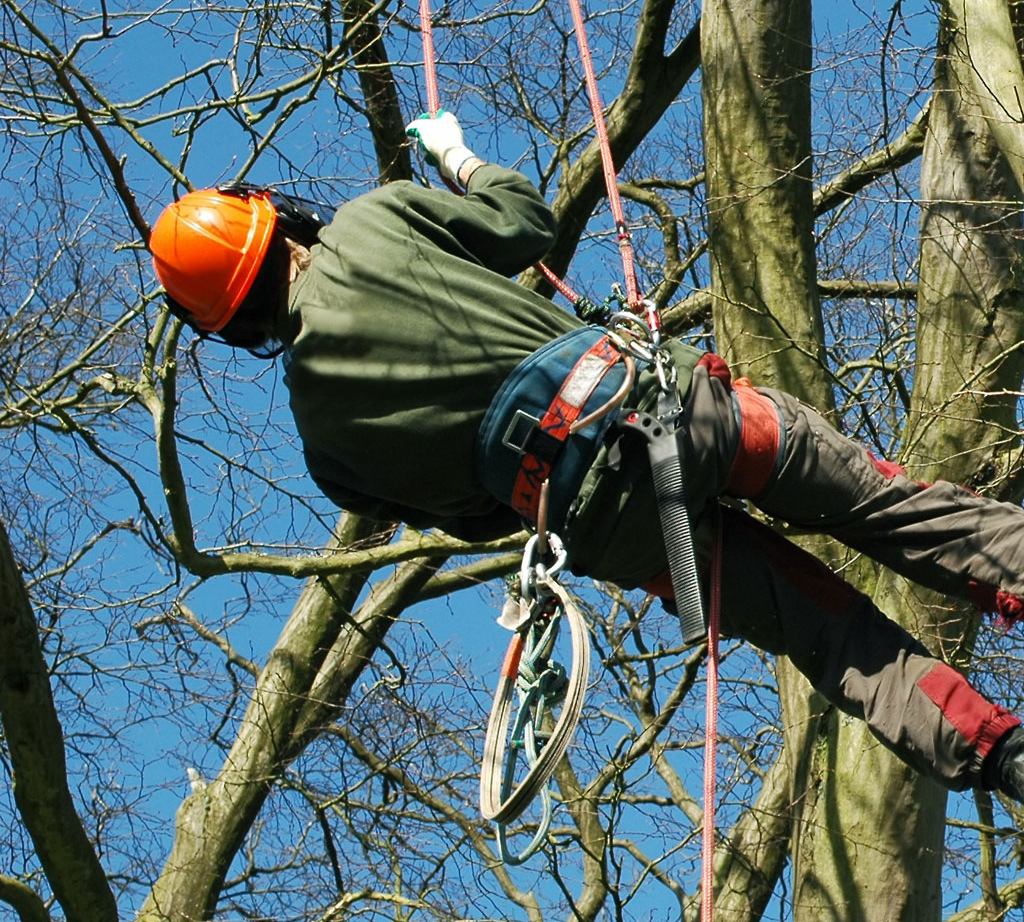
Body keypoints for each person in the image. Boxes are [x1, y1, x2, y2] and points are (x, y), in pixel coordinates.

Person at [149, 112, 1024, 802]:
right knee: (885, 507)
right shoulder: (370, 225)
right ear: (279, 224)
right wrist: (458, 159)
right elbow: (522, 223)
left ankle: (1000, 754)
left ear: (235, 325)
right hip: (665, 406)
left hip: (617, 529)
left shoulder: (327, 447)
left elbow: (475, 517)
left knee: (829, 638)